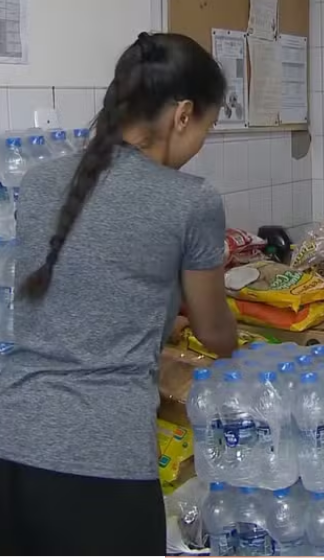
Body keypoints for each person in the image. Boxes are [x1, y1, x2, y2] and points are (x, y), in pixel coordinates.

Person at [0, 33, 238, 555]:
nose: (200, 143)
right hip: (101, 460)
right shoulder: (191, 200)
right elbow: (215, 333)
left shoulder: (39, 181)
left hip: (13, 441)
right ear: (182, 115)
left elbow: (87, 289)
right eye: (207, 127)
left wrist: (152, 321)